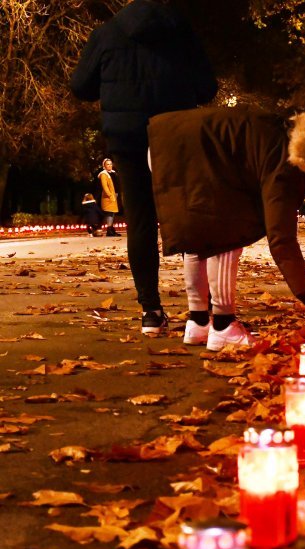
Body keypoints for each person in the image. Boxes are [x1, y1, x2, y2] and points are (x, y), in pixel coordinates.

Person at [146, 107, 305, 350]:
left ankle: (198, 322)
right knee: (226, 231)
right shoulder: (288, 165)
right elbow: (282, 239)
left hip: (171, 143)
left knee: (199, 234)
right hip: (192, 148)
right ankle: (223, 325)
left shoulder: (284, 143)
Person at [70, 0, 218, 336]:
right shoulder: (181, 32)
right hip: (174, 133)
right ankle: (200, 312)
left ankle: (151, 311)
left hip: (127, 138)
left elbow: (81, 86)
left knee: (139, 221)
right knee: (186, 217)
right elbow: (208, 87)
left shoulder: (106, 34)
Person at [97, 158, 121, 236]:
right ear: (104, 165)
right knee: (109, 213)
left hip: (115, 195)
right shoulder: (104, 174)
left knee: (112, 213)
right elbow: (105, 187)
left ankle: (111, 229)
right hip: (108, 196)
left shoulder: (113, 173)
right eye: (108, 164)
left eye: (110, 164)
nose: (110, 165)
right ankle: (109, 230)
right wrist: (110, 195)